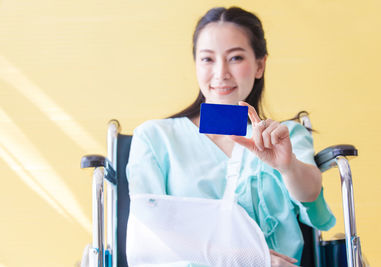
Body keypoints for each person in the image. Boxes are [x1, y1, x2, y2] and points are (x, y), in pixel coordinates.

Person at [126, 6, 336, 267]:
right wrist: (252, 260)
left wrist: (288, 165)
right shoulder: (156, 137)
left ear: (260, 65)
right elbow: (149, 231)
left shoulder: (284, 135)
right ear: (195, 65)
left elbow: (311, 194)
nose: (221, 72)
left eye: (235, 58)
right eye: (207, 59)